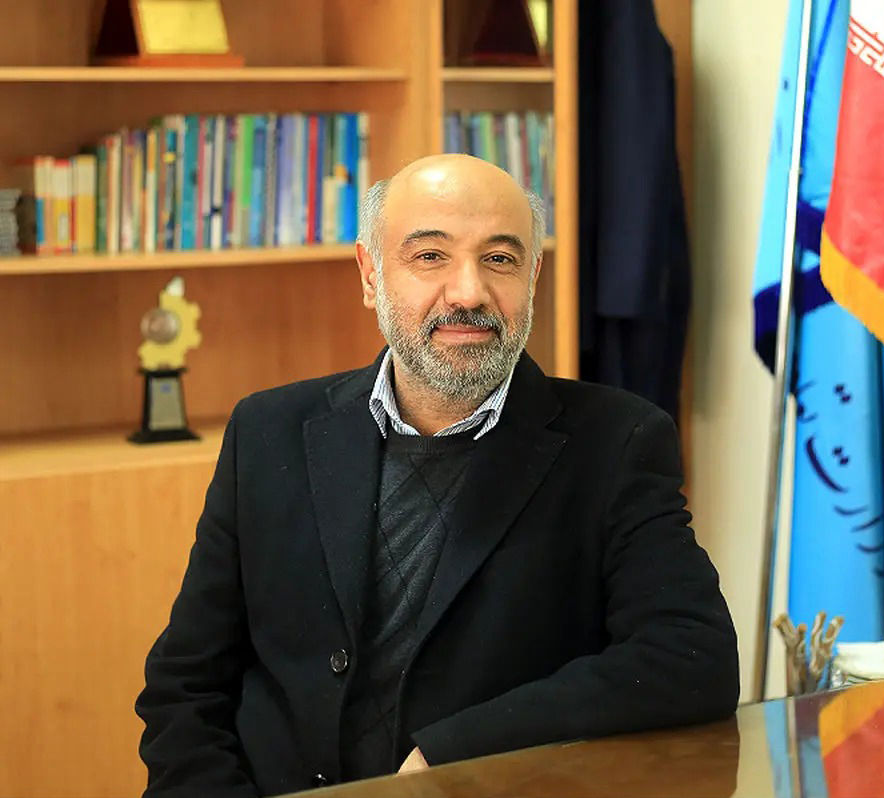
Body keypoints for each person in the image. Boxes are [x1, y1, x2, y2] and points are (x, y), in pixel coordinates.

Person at [135, 154, 739, 797]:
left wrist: (455, 755)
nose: (469, 292)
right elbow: (186, 684)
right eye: (430, 256)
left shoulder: (617, 441)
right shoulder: (268, 430)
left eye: (500, 259)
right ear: (370, 274)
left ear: (533, 277)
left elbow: (691, 658)